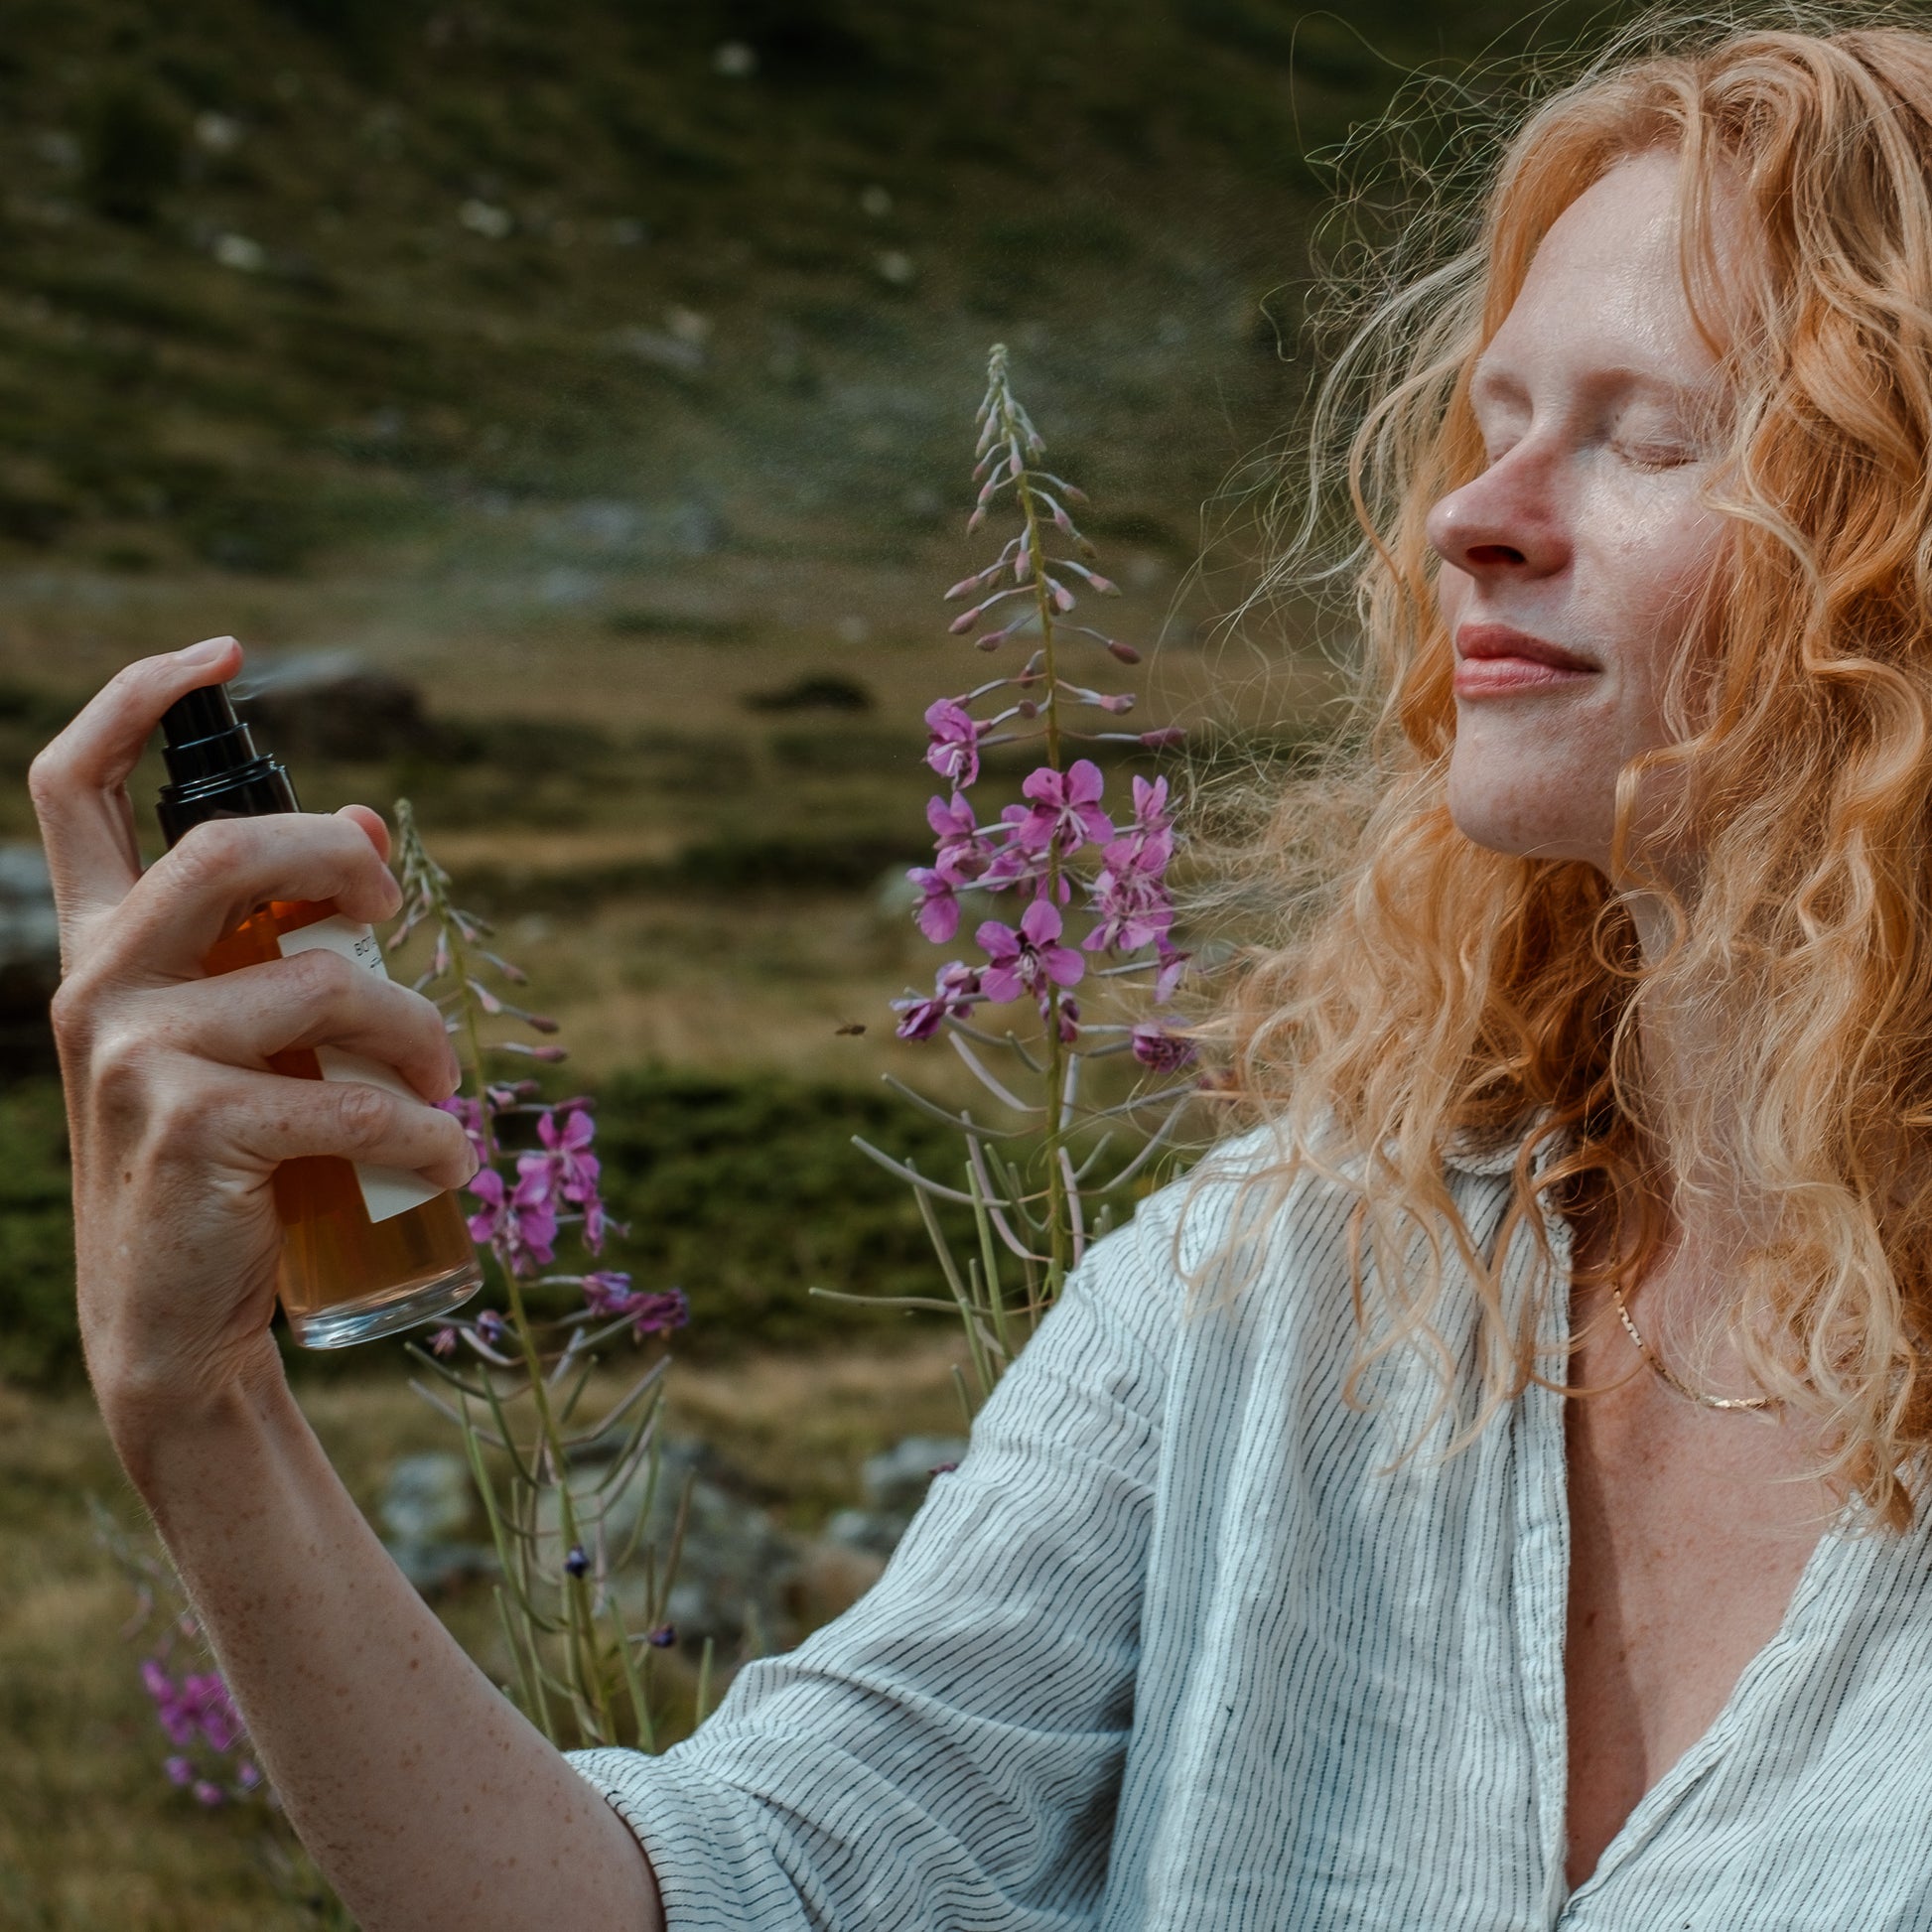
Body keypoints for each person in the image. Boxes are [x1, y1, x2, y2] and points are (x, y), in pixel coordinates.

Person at [30, 18, 1932, 1929]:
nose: (1470, 512)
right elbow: (710, 1896)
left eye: (1646, 434)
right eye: (1493, 413)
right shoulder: (1275, 1286)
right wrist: (197, 1404)